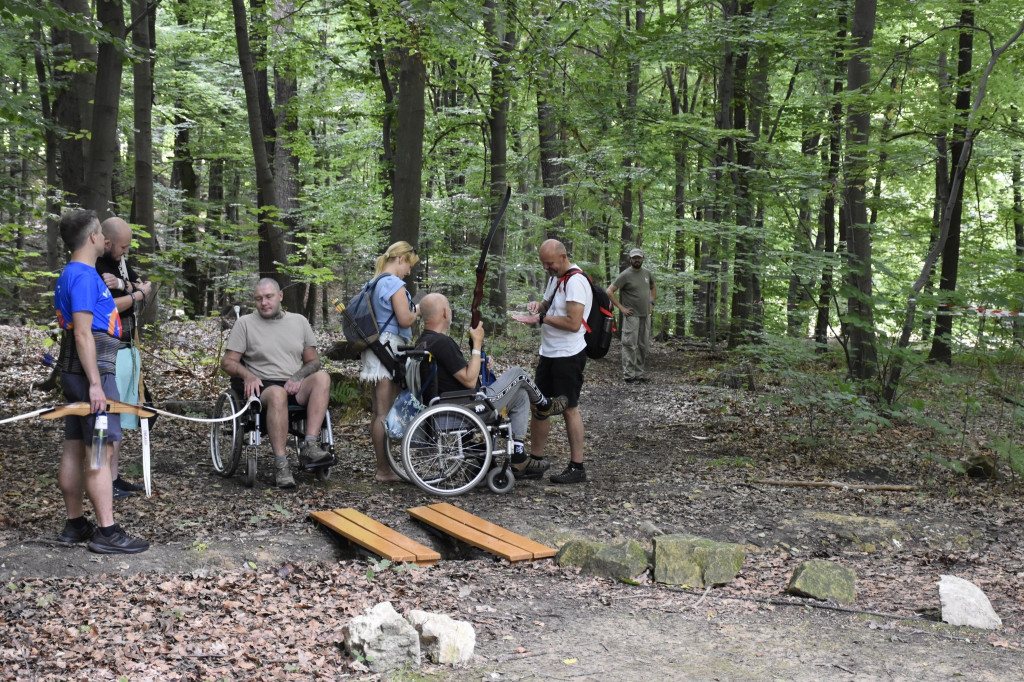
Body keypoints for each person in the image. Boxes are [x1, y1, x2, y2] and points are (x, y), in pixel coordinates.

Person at [53, 209, 149, 554]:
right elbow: (82, 332)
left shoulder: (75, 274)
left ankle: (75, 524)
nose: (105, 241)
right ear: (93, 237)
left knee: (76, 444)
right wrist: (95, 384)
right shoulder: (81, 275)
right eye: (100, 234)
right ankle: (107, 531)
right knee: (99, 450)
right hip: (90, 374)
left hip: (80, 373)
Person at [415, 293, 567, 477]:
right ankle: (545, 405)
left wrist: (480, 361)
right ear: (445, 313)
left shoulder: (423, 342)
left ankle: (518, 456)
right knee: (518, 374)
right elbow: (469, 380)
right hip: (470, 405)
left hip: (450, 403)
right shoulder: (441, 342)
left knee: (520, 396)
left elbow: (456, 375)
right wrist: (477, 342)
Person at [220, 278, 332, 488]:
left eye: (269, 297)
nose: (264, 302)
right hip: (262, 386)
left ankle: (310, 444)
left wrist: (298, 377)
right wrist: (247, 375)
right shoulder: (245, 323)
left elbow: (313, 361)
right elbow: (227, 362)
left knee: (323, 378)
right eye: (259, 299)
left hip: (294, 383)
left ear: (280, 296)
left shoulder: (299, 322)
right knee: (278, 394)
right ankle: (281, 464)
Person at [512, 239, 592, 484]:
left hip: (569, 355)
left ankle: (577, 466)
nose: (546, 267)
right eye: (543, 263)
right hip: (549, 352)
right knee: (540, 406)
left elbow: (573, 323)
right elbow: (547, 305)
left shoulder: (576, 282)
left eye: (550, 263)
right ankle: (535, 462)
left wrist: (541, 319)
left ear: (563, 256)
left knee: (569, 408)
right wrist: (538, 307)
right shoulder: (555, 278)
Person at [95, 217, 153, 498]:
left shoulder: (118, 263)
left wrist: (124, 284)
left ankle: (114, 478)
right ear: (106, 242)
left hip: (129, 347)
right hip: (109, 350)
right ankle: (103, 479)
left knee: (120, 416)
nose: (126, 252)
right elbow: (106, 307)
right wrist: (137, 294)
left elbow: (144, 284)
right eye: (122, 246)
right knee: (107, 418)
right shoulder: (96, 263)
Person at [360, 241, 421, 482]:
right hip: (388, 349)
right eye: (409, 265)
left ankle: (384, 467)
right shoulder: (393, 283)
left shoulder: (373, 283)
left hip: (376, 350)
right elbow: (405, 320)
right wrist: (418, 308)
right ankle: (384, 470)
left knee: (378, 412)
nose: (409, 271)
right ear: (400, 259)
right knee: (384, 413)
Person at [607, 247, 656, 383]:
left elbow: (653, 287)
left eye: (639, 257)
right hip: (631, 316)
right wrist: (621, 308)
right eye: (634, 258)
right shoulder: (625, 275)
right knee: (630, 345)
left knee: (642, 345)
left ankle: (639, 374)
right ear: (630, 259)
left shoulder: (647, 273)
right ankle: (629, 376)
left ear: (642, 259)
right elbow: (609, 291)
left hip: (645, 315)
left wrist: (651, 303)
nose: (636, 260)